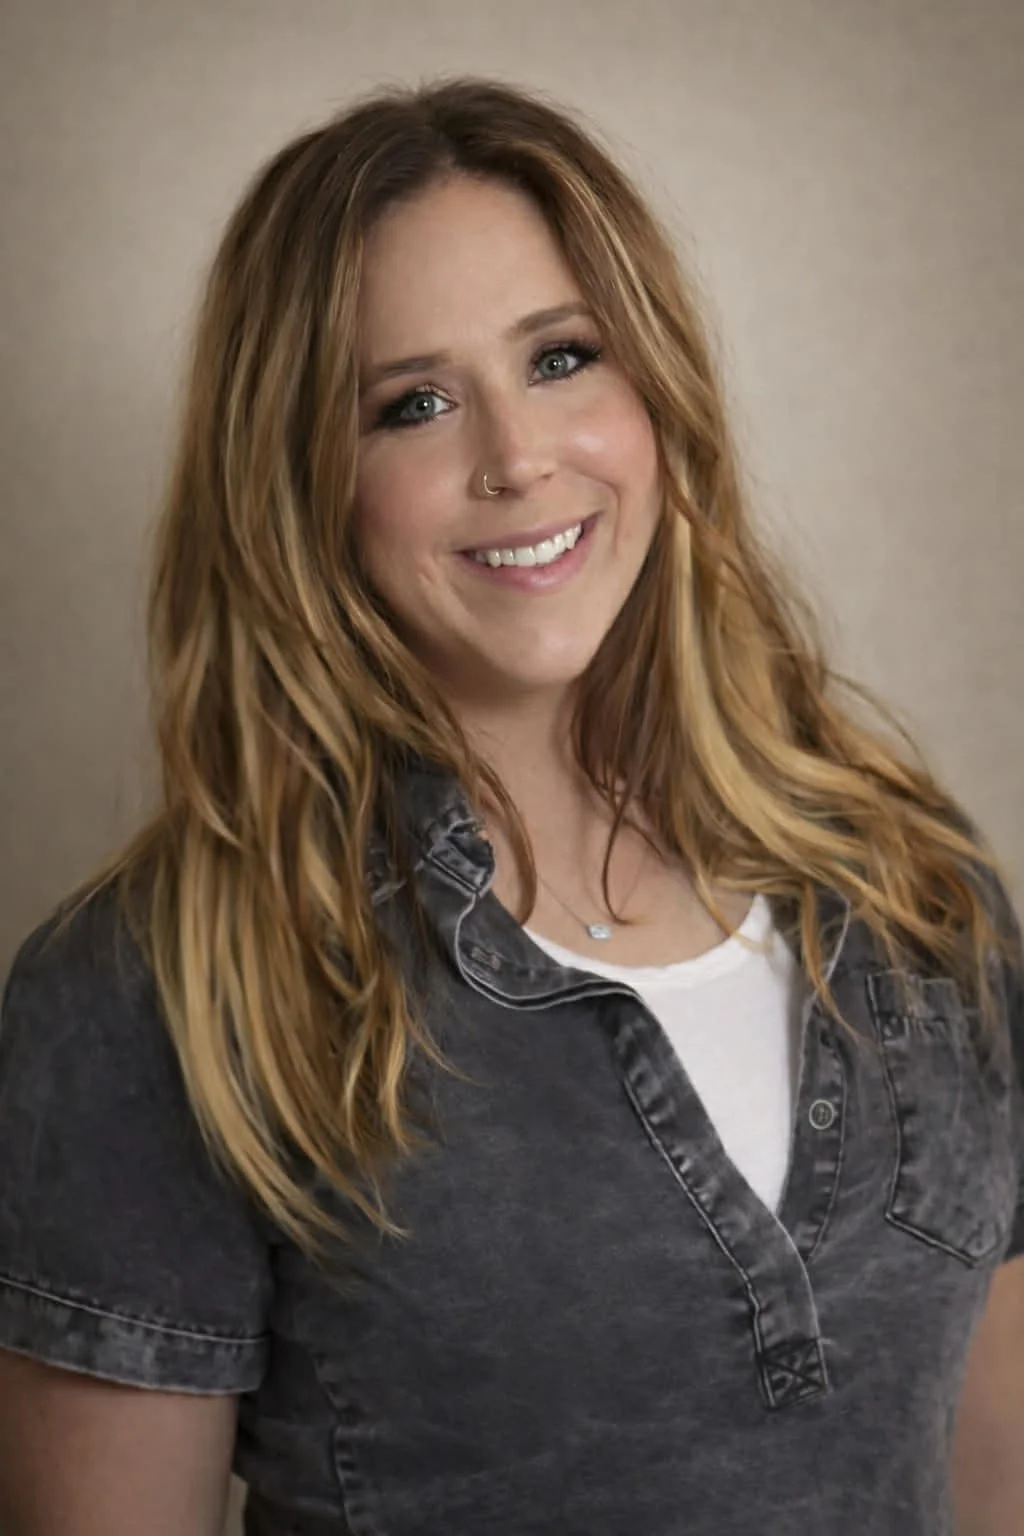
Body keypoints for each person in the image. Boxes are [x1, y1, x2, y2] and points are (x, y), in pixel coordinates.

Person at [0, 74, 1021, 1536]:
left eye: (561, 358)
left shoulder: (916, 891)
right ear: (301, 486)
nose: (517, 458)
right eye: (412, 404)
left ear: (657, 388)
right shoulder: (163, 990)